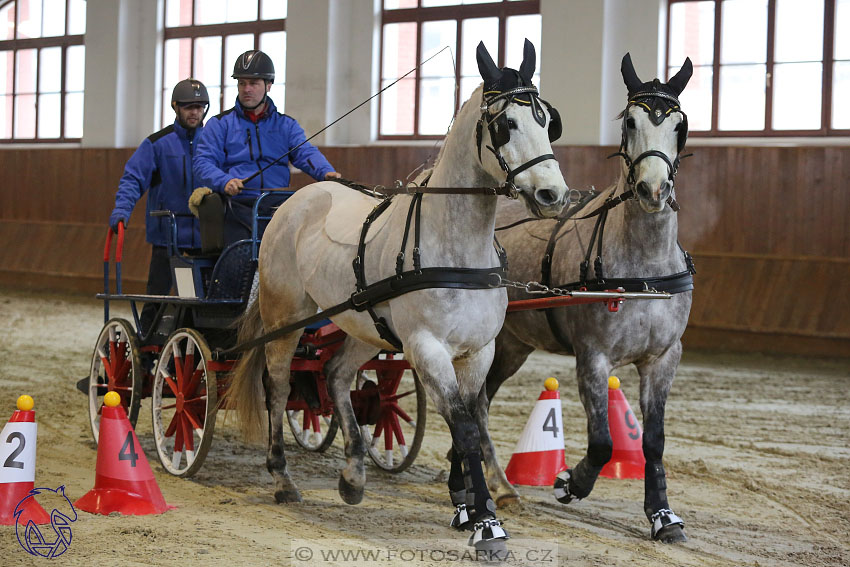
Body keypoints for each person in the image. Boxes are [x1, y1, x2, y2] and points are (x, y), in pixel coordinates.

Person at [193, 49, 341, 246]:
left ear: (268, 85)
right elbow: (203, 162)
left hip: (279, 205)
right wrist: (225, 181)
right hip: (237, 206)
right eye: (242, 83)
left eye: (253, 83)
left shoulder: (286, 125)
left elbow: (305, 152)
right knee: (240, 257)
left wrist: (326, 173)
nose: (247, 89)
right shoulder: (220, 124)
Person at [109, 78, 209, 334]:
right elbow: (133, 179)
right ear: (176, 107)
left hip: (206, 239)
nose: (194, 112)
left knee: (202, 303)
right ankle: (145, 346)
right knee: (157, 298)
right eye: (188, 107)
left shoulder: (214, 142)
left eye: (199, 106)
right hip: (168, 238)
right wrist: (122, 211)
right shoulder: (156, 144)